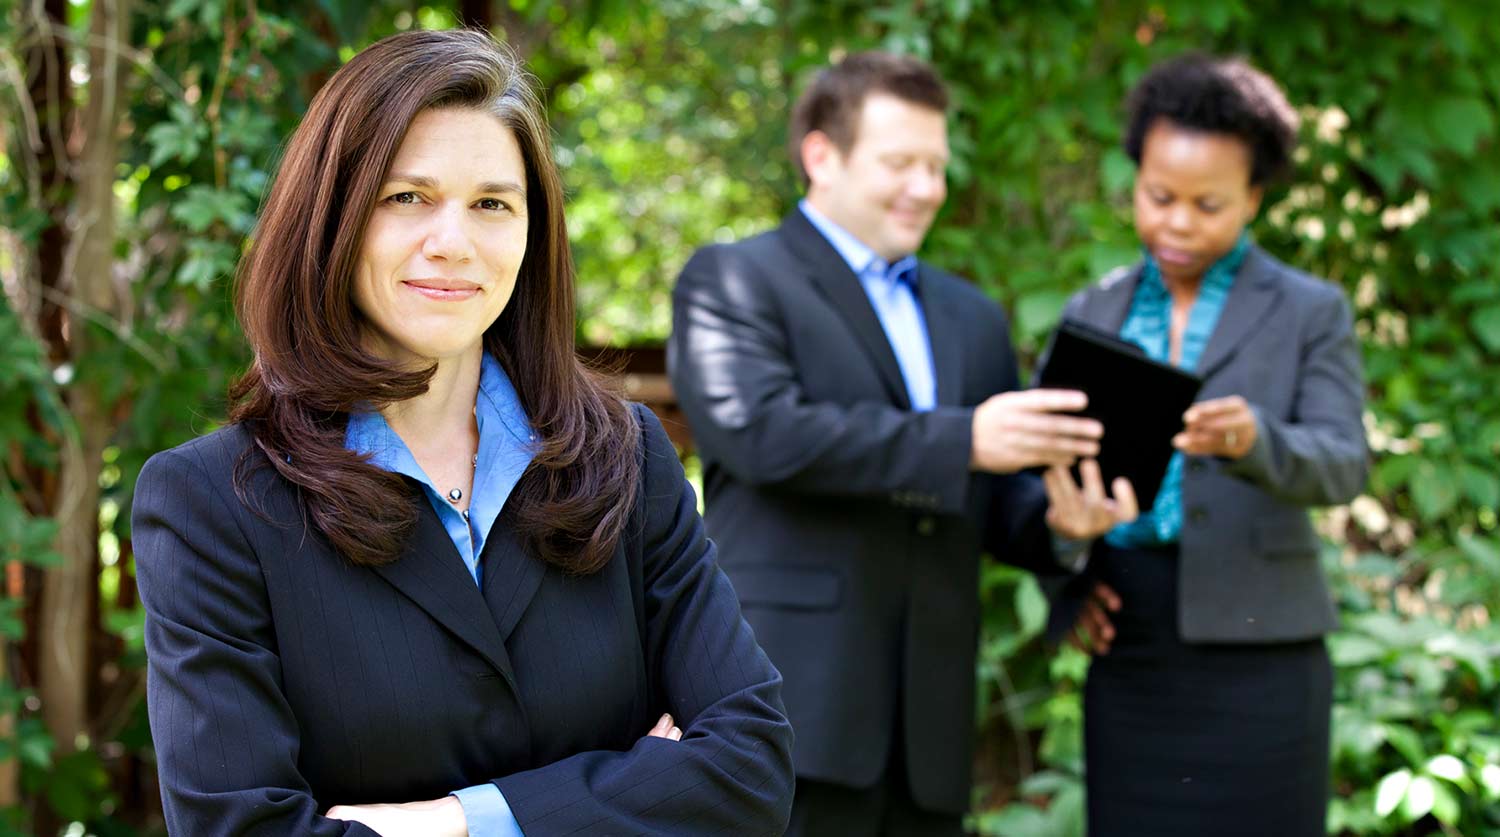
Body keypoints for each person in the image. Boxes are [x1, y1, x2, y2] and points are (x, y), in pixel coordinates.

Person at [131, 29, 793, 837]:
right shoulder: (211, 502)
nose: (453, 242)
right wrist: (642, 790)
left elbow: (752, 767)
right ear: (331, 219)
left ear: (530, 231)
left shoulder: (624, 455)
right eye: (406, 196)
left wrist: (454, 822)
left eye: (491, 203)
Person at [667, 52, 1135, 836]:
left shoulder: (974, 316)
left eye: (938, 166)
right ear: (822, 155)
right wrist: (964, 440)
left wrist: (1061, 524)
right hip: (791, 703)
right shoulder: (733, 277)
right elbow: (759, 432)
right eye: (900, 163)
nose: (927, 188)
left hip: (933, 727)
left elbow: (991, 498)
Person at [1051, 53, 1368, 836]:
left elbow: (1343, 462)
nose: (1178, 223)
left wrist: (1257, 438)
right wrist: (1071, 572)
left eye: (1209, 203)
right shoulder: (1093, 308)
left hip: (1264, 656)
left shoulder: (1309, 310)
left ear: (1255, 197)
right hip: (1131, 650)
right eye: (1158, 197)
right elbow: (1047, 473)